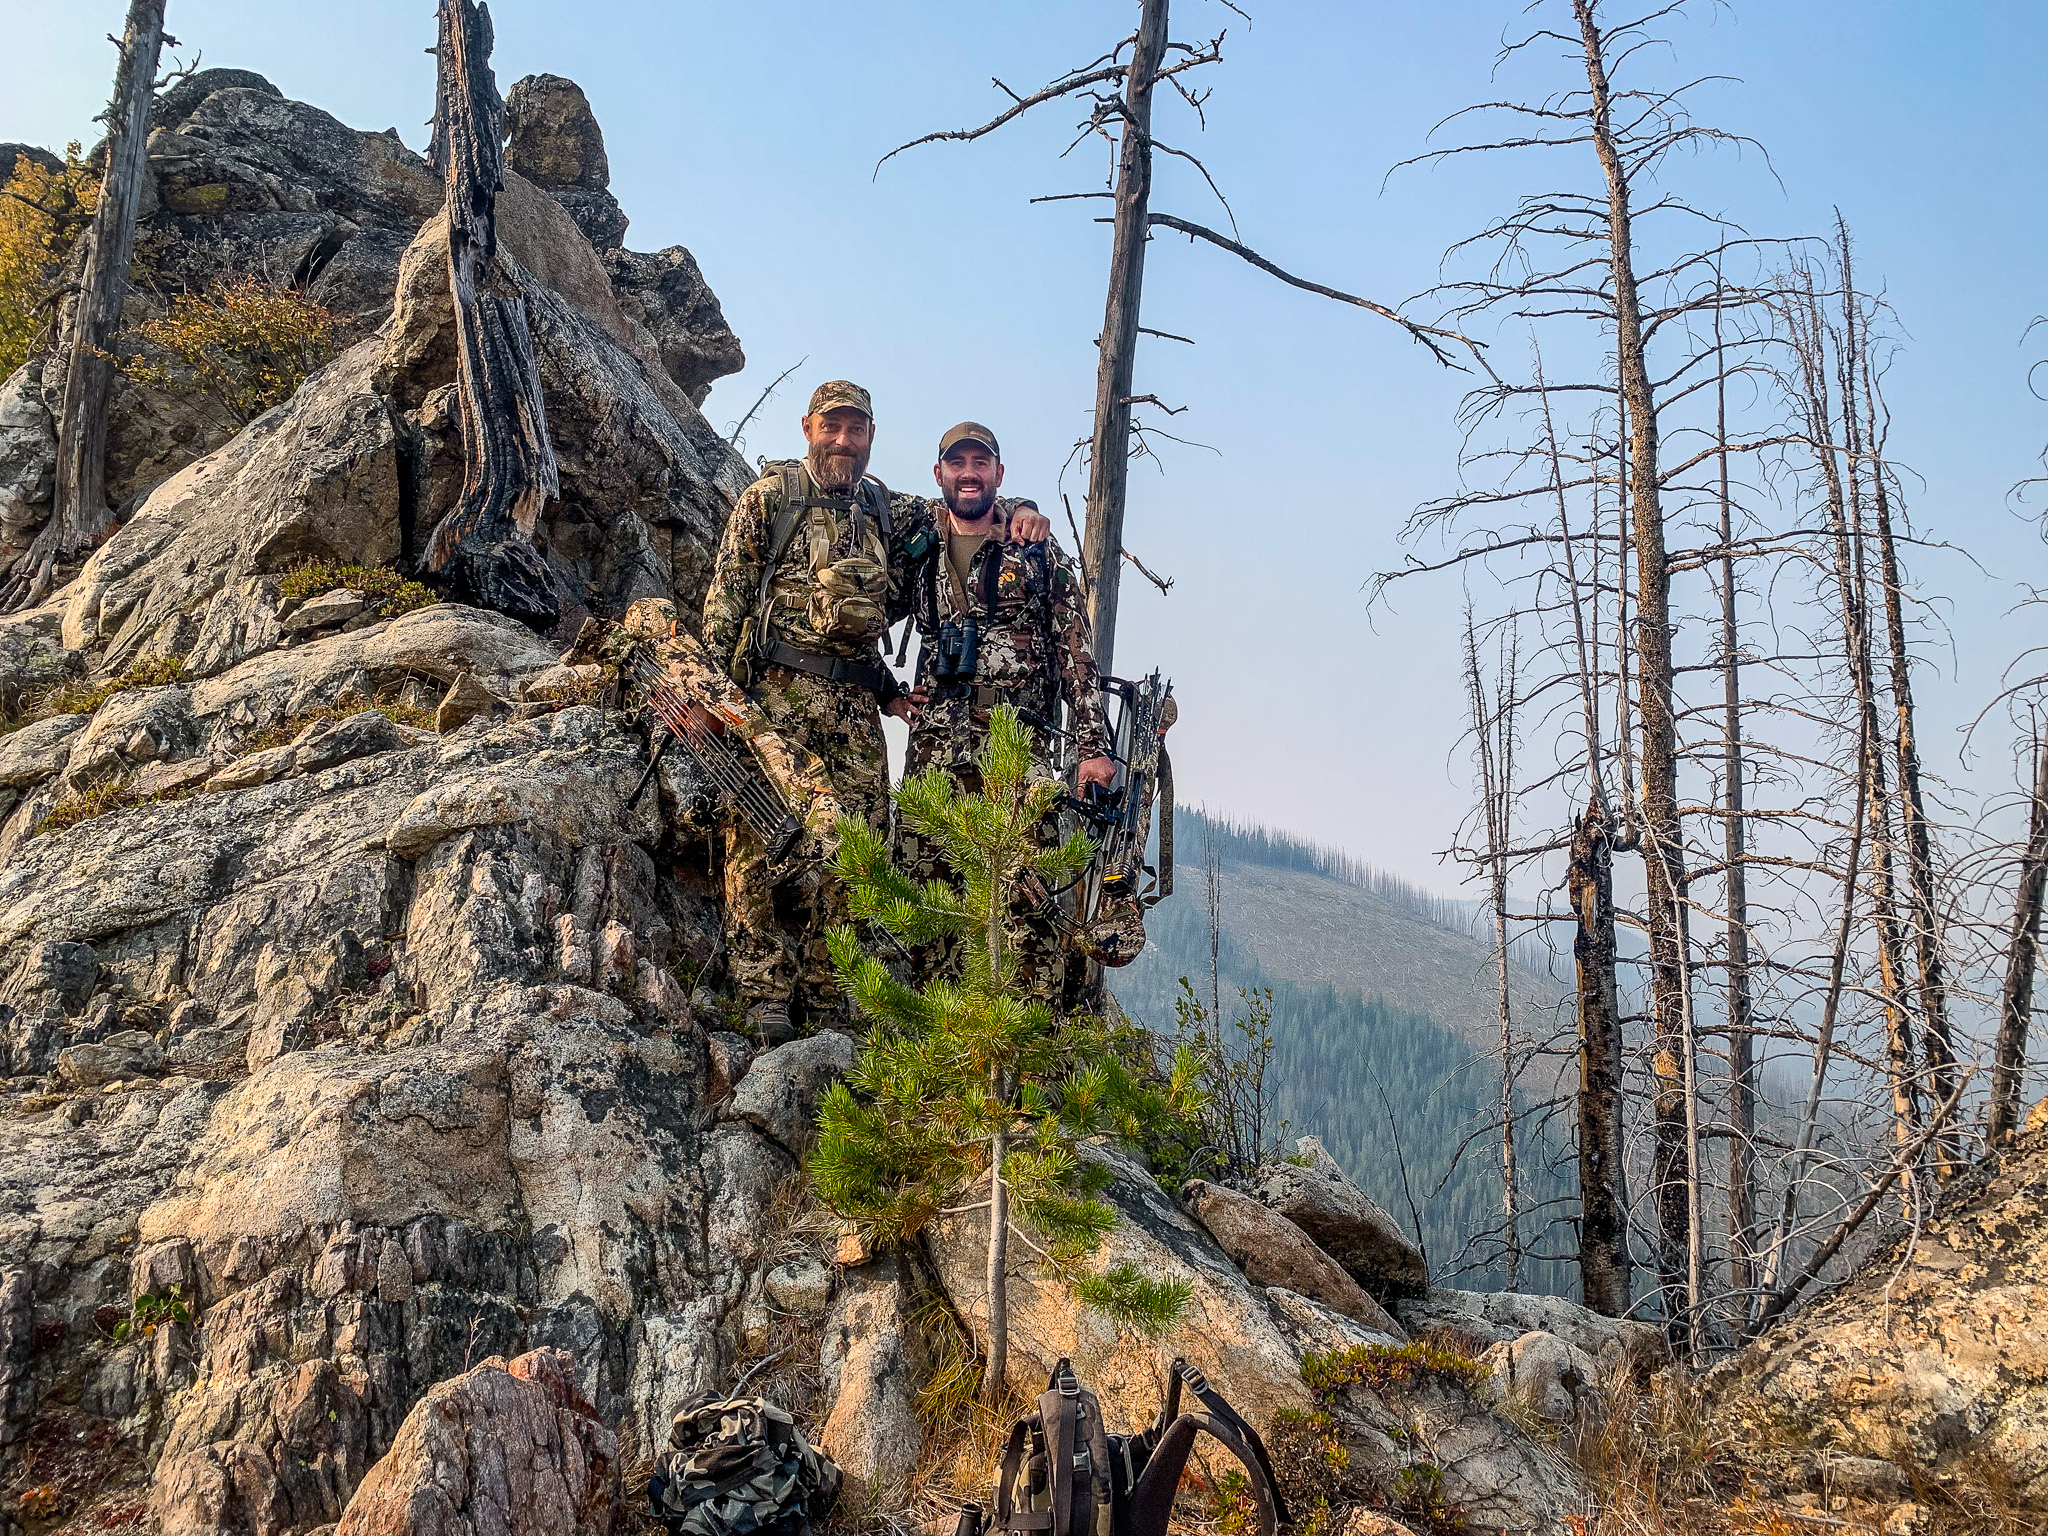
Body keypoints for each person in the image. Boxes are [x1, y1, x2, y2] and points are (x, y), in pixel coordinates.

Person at [701, 384, 1047, 1039]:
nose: (842, 441)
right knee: (759, 842)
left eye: (855, 430)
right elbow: (723, 612)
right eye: (831, 427)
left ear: (870, 436)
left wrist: (1024, 508)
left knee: (854, 852)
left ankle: (829, 993)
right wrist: (717, 709)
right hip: (773, 702)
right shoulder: (770, 500)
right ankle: (764, 993)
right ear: (808, 427)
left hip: (857, 713)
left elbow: (964, 506)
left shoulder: (887, 509)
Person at [896, 421, 1117, 1003]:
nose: (969, 474)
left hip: (1018, 748)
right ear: (939, 473)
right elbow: (862, 597)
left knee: (1030, 900)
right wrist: (883, 689)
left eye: (981, 463)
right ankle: (939, 1044)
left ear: (999, 473)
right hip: (935, 750)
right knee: (929, 896)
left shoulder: (1035, 548)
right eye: (957, 463)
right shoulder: (917, 541)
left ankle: (1028, 1049)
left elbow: (1075, 647)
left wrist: (1092, 747)